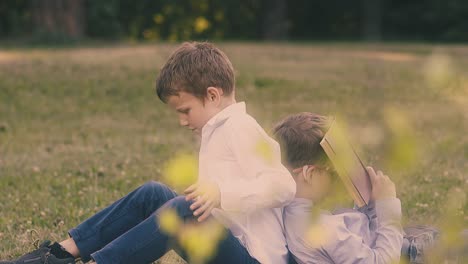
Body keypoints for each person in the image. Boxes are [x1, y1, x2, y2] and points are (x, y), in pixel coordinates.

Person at [1, 42, 296, 264]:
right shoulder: (218, 128)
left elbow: (284, 186)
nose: (182, 121)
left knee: (183, 208)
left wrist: (221, 194)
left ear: (213, 95)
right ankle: (59, 254)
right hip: (226, 243)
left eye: (185, 111)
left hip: (255, 258)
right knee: (153, 193)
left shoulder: (241, 128)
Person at [273, 112, 405, 264]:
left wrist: (370, 209)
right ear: (309, 174)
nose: (338, 179)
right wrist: (388, 207)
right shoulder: (323, 228)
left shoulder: (289, 213)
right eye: (333, 172)